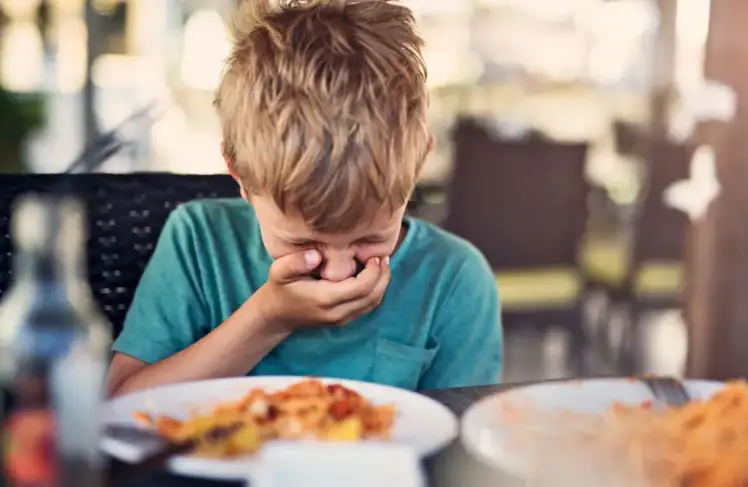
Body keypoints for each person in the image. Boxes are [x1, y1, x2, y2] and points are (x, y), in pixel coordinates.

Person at [106, 0, 502, 397]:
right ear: (239, 175)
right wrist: (268, 318)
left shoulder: (454, 281)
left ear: (417, 165)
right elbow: (122, 403)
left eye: (370, 238)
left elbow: (460, 448)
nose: (337, 274)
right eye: (303, 244)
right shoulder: (197, 241)